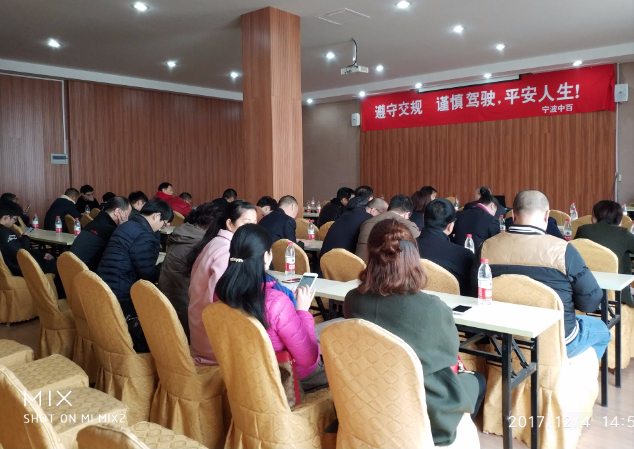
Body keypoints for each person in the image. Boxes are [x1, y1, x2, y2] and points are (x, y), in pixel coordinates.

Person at [344, 219, 485, 446]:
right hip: (421, 409)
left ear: (369, 255)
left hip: (367, 399)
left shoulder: (353, 299)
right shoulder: (433, 308)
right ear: (413, 257)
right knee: (477, 381)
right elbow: (450, 358)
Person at [473, 190, 609, 359]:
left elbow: (475, 293)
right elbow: (590, 302)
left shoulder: (486, 247)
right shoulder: (563, 250)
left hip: (502, 338)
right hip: (556, 341)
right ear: (547, 215)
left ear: (513, 215)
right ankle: (567, 372)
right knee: (602, 330)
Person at [215, 224, 329, 392]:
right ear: (266, 257)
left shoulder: (220, 294)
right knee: (344, 354)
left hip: (245, 373)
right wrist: (302, 310)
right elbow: (309, 358)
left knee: (328, 329)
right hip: (288, 377)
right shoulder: (276, 302)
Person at [97, 198, 173, 353]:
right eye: (163, 223)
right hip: (122, 294)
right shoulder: (144, 235)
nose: (161, 228)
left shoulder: (127, 225)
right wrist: (165, 267)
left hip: (104, 286)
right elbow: (147, 274)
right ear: (157, 216)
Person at [188, 201, 257, 365]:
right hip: (213, 342)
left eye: (254, 224)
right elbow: (222, 302)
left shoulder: (215, 242)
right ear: (229, 224)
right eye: (246, 223)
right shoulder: (228, 251)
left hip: (199, 329)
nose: (252, 230)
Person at [159, 202, 222, 340]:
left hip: (167, 302)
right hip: (185, 310)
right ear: (212, 225)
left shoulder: (183, 233)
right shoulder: (199, 244)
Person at [575, 200, 634, 306]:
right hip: (615, 294)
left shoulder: (583, 230)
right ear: (619, 219)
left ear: (594, 216)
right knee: (624, 255)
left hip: (585, 292)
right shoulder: (623, 234)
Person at [0, 201, 64, 296]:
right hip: (21, 267)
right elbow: (21, 254)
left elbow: (16, 249)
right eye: (14, 219)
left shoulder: (5, 232)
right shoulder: (6, 233)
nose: (14, 222)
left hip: (13, 265)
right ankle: (58, 296)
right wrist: (25, 238)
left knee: (48, 258)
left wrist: (41, 254)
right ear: (6, 217)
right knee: (58, 265)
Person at [417, 199, 474, 295]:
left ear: (423, 218)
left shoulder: (402, 248)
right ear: (450, 226)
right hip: (451, 304)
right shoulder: (464, 255)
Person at [70, 196, 131, 271]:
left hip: (69, 270)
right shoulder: (112, 231)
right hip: (85, 275)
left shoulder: (94, 222)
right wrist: (124, 227)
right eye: (127, 215)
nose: (127, 219)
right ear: (117, 212)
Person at [355, 195, 420, 261]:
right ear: (407, 214)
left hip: (358, 264)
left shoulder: (367, 222)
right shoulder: (409, 226)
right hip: (384, 266)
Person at [320, 198, 387, 258]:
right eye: (382, 214)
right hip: (341, 262)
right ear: (373, 210)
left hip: (324, 260)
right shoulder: (368, 221)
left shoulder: (350, 213)